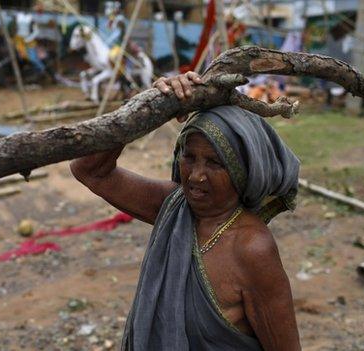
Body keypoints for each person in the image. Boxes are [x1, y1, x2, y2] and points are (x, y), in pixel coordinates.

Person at [70, 71, 302, 350]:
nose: (195, 176)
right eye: (189, 158)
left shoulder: (252, 249)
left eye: (214, 163)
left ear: (241, 171)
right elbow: (90, 170)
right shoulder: (174, 206)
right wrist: (149, 106)